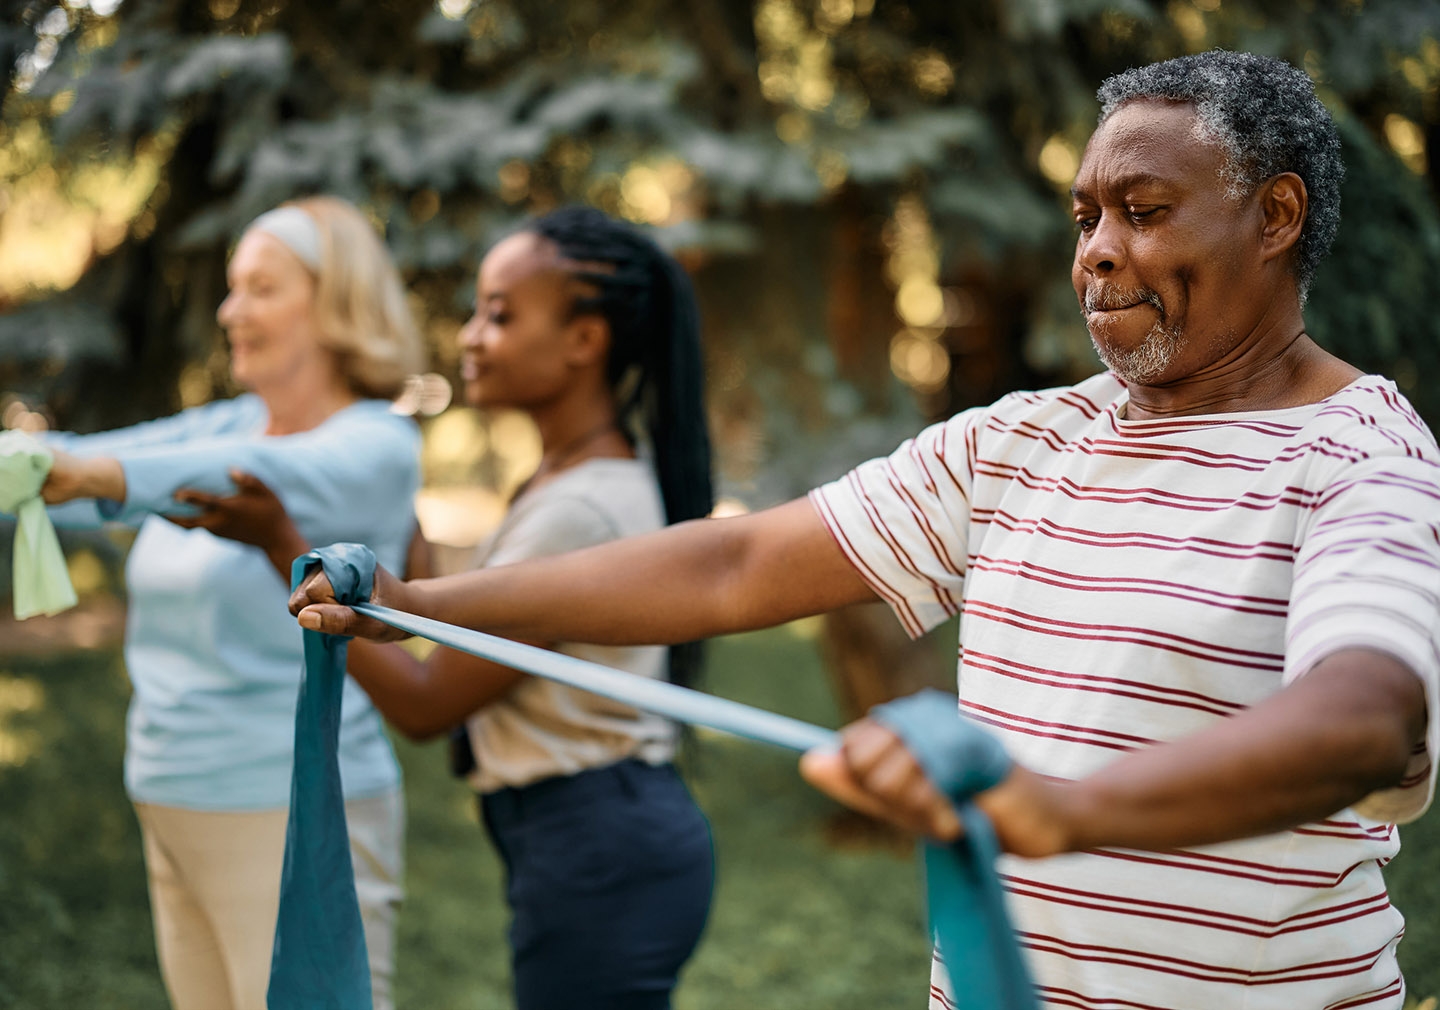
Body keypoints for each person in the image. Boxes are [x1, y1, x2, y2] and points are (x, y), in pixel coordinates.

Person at [290, 52, 1440, 1009]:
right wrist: (424, 603)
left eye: (1143, 213)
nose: (1096, 249)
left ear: (1277, 215)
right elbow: (736, 561)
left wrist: (1068, 808)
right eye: (1085, 215)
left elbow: (1367, 718)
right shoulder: (1020, 441)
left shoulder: (1356, 452)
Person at [189, 205, 717, 1010]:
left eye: (499, 316)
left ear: (586, 340)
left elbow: (428, 703)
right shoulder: (564, 481)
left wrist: (279, 546)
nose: (470, 335)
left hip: (599, 845)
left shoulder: (579, 511)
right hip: (591, 834)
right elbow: (456, 625)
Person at [36, 196, 424, 1010]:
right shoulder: (233, 422)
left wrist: (91, 474)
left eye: (260, 288)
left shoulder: (375, 445)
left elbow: (221, 474)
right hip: (174, 793)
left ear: (335, 303)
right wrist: (33, 470)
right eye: (231, 287)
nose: (228, 310)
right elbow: (83, 472)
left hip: (294, 803)